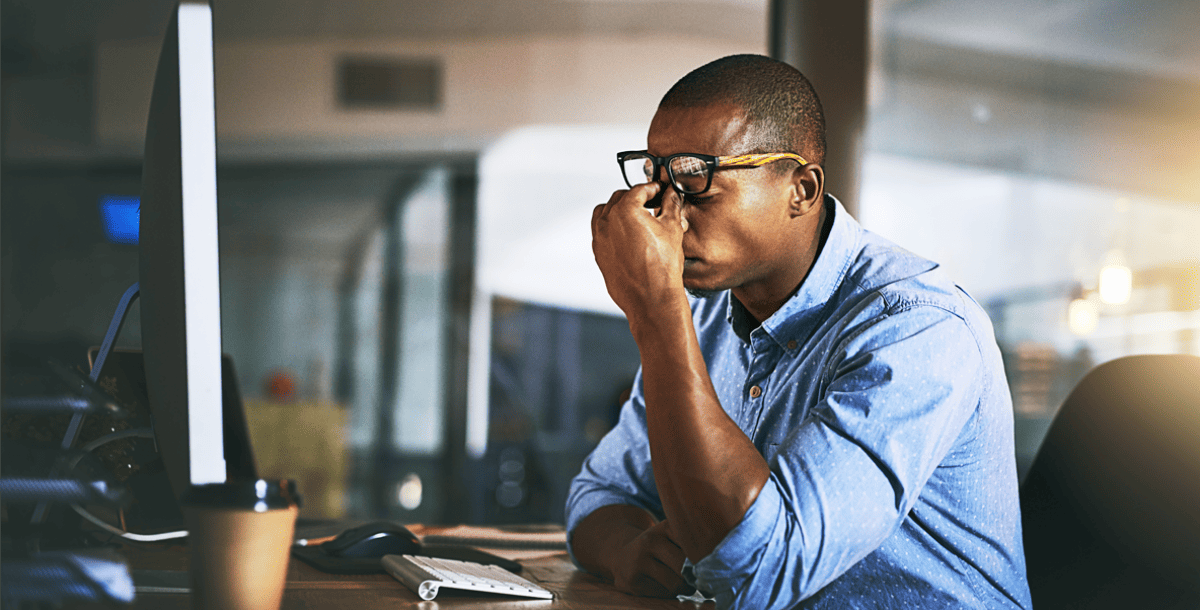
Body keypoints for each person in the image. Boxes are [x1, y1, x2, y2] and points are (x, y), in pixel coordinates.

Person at [566, 54, 1032, 609]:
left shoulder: (918, 330)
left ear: (802, 189)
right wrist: (628, 551)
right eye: (656, 181)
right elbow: (598, 493)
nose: (666, 217)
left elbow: (762, 568)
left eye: (697, 184)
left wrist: (656, 309)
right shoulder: (712, 317)